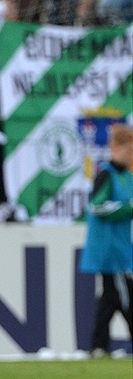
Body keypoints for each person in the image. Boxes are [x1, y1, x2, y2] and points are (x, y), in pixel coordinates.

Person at [79, 124, 133, 358]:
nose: (131, 155)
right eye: (128, 150)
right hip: (110, 248)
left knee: (110, 299)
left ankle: (98, 345)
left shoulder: (126, 176)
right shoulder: (106, 175)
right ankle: (98, 345)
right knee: (126, 297)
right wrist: (127, 208)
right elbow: (97, 207)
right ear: (114, 148)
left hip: (120, 247)